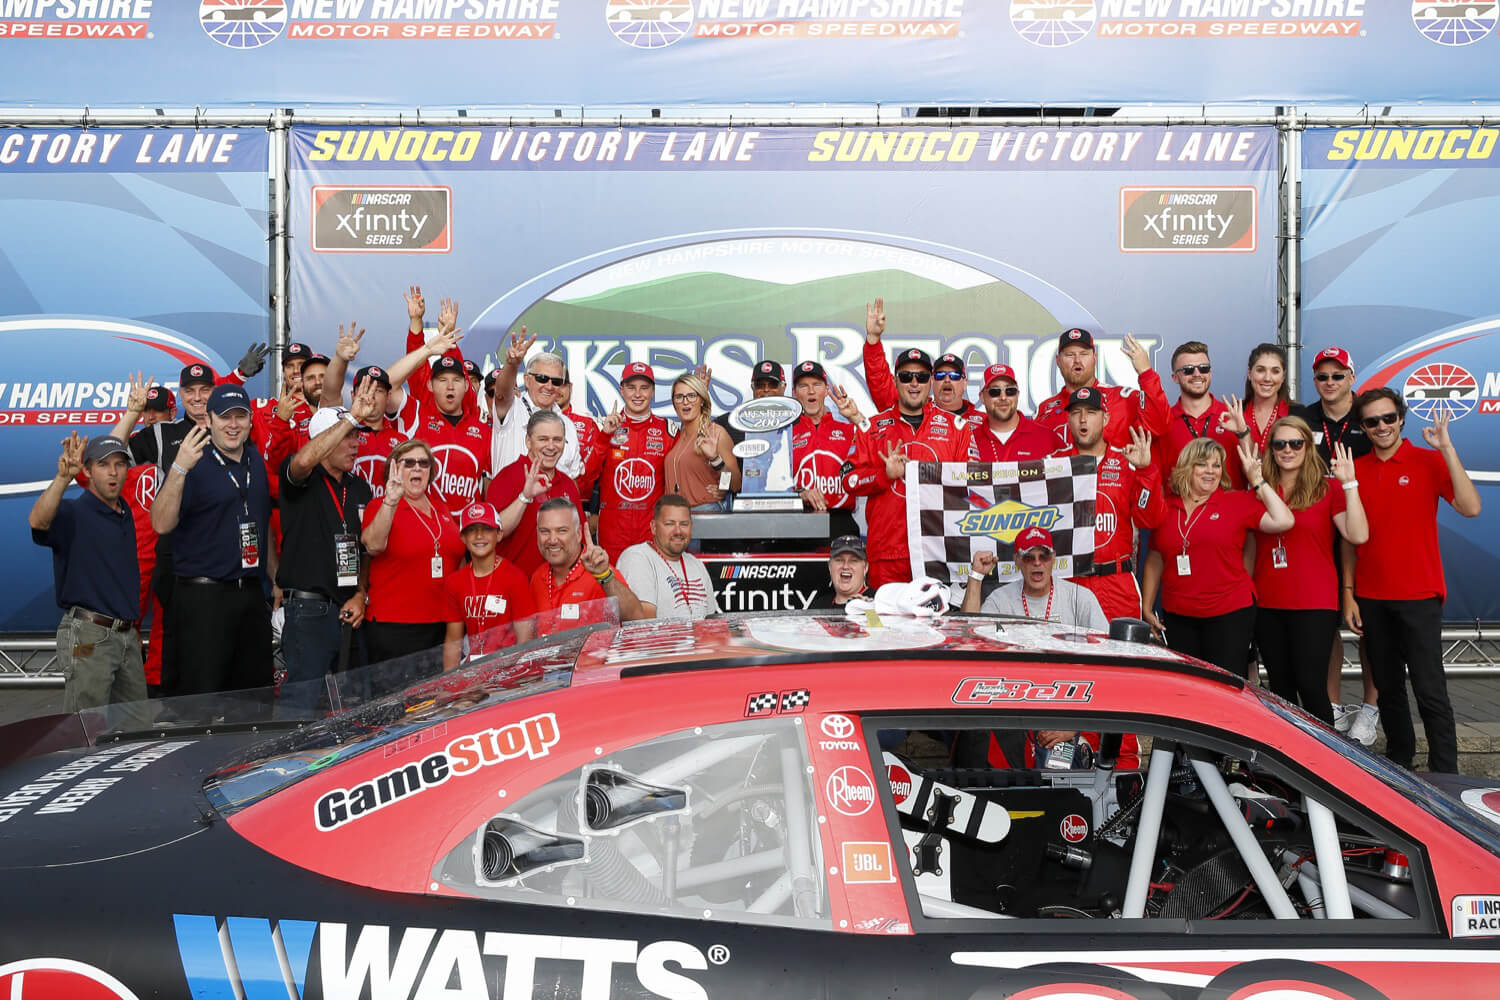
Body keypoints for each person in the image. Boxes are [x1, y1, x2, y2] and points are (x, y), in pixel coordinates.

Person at [1344, 390, 1481, 773]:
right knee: (1387, 691)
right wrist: (1350, 594)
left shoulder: (1428, 461)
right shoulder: (1355, 471)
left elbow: (1471, 508)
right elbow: (1350, 543)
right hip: (1372, 597)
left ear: (1401, 419)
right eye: (1372, 421)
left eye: (1388, 418)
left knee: (1430, 690)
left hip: (1420, 596)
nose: (1382, 427)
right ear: (1363, 427)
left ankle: (1445, 776)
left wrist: (1447, 448)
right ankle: (1399, 765)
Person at [149, 384, 274, 695]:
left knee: (253, 702)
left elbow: (261, 519)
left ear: (249, 421)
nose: (233, 425)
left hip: (249, 596)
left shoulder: (255, 461)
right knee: (200, 703)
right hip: (203, 599)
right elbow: (161, 523)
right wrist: (178, 468)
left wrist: (275, 575)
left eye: (240, 417)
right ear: (210, 419)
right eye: (225, 417)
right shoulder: (192, 461)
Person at [1141, 436, 1294, 677]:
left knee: (1226, 686)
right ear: (1187, 466)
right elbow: (1155, 558)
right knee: (1188, 685)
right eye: (1203, 464)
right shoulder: (1165, 506)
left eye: (1216, 465)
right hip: (1179, 614)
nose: (1211, 471)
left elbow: (1284, 520)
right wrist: (1147, 606)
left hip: (1229, 614)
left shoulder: (1236, 501)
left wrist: (1258, 481)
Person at [1251, 417, 1367, 727]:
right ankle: (1286, 764)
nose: (1287, 450)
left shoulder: (1327, 488)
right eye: (1280, 444)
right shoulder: (1261, 488)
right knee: (1280, 689)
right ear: (1271, 450)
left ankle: (1324, 763)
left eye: (1296, 443)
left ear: (1308, 446)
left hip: (1315, 603)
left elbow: (1357, 535)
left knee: (1311, 685)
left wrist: (1350, 484)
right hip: (1268, 602)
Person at [275, 389, 381, 714]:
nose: (355, 444)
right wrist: (351, 415)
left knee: (349, 707)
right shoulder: (301, 478)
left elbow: (366, 551)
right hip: (309, 611)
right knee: (301, 705)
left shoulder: (359, 487)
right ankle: (286, 764)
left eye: (356, 437)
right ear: (323, 440)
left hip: (349, 611)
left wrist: (361, 593)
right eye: (347, 437)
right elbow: (303, 460)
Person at [1290, 345, 1377, 731]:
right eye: (1322, 376)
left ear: (1351, 378)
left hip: (1367, 523)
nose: (1330, 382)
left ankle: (1371, 706)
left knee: (1370, 620)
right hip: (1322, 526)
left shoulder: (1370, 413)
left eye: (1337, 375)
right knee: (1327, 622)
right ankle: (1335, 703)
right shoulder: (1303, 417)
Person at [28, 433, 145, 713]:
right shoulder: (72, 512)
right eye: (103, 465)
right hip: (88, 638)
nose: (113, 472)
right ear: (88, 470)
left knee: (137, 732)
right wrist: (62, 479)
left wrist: (129, 627)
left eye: (120, 464)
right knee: (83, 732)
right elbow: (38, 521)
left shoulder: (124, 511)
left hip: (126, 636)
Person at [846, 348, 974, 589]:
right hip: (887, 555)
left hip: (939, 551)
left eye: (922, 377)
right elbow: (849, 482)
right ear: (895, 381)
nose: (914, 383)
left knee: (941, 626)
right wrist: (884, 475)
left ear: (931, 381)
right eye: (906, 377)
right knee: (885, 625)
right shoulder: (872, 428)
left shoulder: (957, 428)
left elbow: (971, 489)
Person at [1051, 387, 1166, 621]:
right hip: (1067, 581)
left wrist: (1146, 471)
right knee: (1066, 656)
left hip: (1116, 581)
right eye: (1076, 413)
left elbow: (1151, 519)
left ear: (1105, 418)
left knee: (1120, 655)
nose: (1083, 419)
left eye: (1091, 412)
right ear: (1068, 420)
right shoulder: (1053, 464)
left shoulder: (1126, 461)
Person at [360, 438, 465, 668]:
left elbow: (459, 556)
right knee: (397, 702)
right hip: (395, 626)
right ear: (394, 469)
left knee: (434, 701)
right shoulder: (380, 506)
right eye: (408, 463)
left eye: (423, 463)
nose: (417, 467)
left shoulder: (442, 509)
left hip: (441, 625)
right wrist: (391, 500)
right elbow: (373, 546)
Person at [383, 325, 490, 519]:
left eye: (456, 380)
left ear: (467, 386)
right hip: (422, 528)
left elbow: (487, 487)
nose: (450, 386)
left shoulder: (483, 430)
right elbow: (384, 385)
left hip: (467, 533)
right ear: (430, 385)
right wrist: (427, 350)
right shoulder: (416, 414)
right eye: (442, 380)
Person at [486, 410, 585, 578]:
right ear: (528, 441)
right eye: (543, 439)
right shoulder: (508, 477)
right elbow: (494, 534)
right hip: (516, 587)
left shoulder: (568, 483)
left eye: (558, 440)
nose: (551, 446)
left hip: (558, 590)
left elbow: (579, 538)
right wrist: (524, 497)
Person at [1034, 327, 1168, 450]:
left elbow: (1159, 427)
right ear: (1058, 361)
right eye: (1070, 355)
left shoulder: (1123, 399)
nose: (1077, 360)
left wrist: (1146, 374)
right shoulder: (1044, 410)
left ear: (1095, 358)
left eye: (1084, 354)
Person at [442, 502, 536, 671]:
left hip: (508, 670)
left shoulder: (515, 578)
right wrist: (448, 687)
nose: (479, 536)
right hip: (474, 669)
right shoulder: (454, 583)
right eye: (472, 530)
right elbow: (453, 643)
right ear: (462, 537)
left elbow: (525, 640)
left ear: (499, 534)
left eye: (486, 529)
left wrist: (516, 677)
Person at [863, 299, 983, 430]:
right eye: (940, 375)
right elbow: (880, 383)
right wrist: (873, 341)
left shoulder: (985, 421)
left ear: (965, 382)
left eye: (954, 375)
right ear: (932, 381)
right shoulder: (912, 410)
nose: (947, 380)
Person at [597, 362, 673, 560]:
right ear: (622, 390)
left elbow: (684, 471)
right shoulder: (605, 428)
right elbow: (586, 476)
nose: (637, 394)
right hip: (613, 534)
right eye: (631, 387)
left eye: (644, 388)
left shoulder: (668, 431)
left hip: (651, 534)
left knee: (651, 590)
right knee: (613, 589)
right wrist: (604, 436)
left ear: (653, 391)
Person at [962, 526, 1108, 628]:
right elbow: (970, 637)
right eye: (1028, 557)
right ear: (1017, 560)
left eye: (1044, 556)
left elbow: (1104, 649)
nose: (1037, 562)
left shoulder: (1080, 598)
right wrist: (976, 576)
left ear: (1053, 558)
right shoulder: (1000, 600)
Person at [530, 498, 646, 624]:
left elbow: (636, 618)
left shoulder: (599, 571)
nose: (552, 540)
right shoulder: (537, 577)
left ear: (578, 534)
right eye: (544, 531)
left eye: (561, 531)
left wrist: (604, 576)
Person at [1151, 341, 1247, 491]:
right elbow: (1157, 484)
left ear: (1210, 373)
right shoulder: (1164, 422)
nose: (1197, 374)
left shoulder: (1233, 417)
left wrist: (1243, 433)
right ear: (1175, 377)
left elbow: (1257, 471)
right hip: (1181, 512)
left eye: (1203, 368)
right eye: (1188, 370)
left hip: (1229, 511)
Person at [489, 328, 582, 480]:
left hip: (552, 503)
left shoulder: (568, 425)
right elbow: (500, 393)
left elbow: (571, 481)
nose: (549, 386)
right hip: (511, 502)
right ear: (526, 380)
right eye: (542, 378)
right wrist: (512, 364)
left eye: (556, 381)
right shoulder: (512, 408)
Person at [617, 495, 720, 620]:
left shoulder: (697, 564)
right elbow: (644, 624)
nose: (678, 531)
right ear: (654, 527)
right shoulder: (637, 558)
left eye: (684, 524)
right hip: (660, 640)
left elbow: (711, 621)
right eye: (669, 524)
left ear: (691, 527)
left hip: (701, 638)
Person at [789, 360, 860, 539]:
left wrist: (857, 418)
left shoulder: (847, 429)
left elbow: (880, 445)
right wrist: (799, 494)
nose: (811, 391)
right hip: (798, 521)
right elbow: (771, 487)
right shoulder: (785, 435)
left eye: (817, 385)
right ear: (794, 393)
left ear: (826, 390)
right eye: (804, 386)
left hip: (841, 520)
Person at [666, 371, 741, 511]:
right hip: (676, 516)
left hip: (705, 512)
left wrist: (715, 460)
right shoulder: (677, 435)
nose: (685, 401)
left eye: (692, 396)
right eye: (679, 397)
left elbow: (735, 484)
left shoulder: (715, 433)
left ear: (702, 401)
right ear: (674, 403)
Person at [971, 363, 1057, 462]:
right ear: (982, 397)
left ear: (1017, 394)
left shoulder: (1047, 438)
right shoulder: (969, 441)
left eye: (1010, 391)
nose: (1003, 397)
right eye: (994, 391)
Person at [715, 359, 785, 448]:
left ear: (783, 387)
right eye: (760, 385)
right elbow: (703, 433)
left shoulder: (796, 422)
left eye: (773, 385)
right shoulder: (732, 422)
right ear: (753, 388)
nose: (766, 389)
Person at [559, 378, 605, 503]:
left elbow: (598, 472)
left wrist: (594, 510)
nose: (557, 389)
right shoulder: (533, 421)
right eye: (554, 384)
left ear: (570, 387)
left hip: (580, 503)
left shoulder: (588, 424)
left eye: (562, 385)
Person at [1240, 343, 1291, 453]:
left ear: (1283, 377)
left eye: (1275, 371)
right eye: (1260, 370)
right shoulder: (1235, 413)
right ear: (1249, 373)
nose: (1267, 378)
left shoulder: (1299, 414)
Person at [809, 535, 871, 609]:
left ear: (865, 568)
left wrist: (868, 610)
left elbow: (876, 621)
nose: (845, 566)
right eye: (839, 560)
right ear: (829, 566)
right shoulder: (819, 606)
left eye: (853, 561)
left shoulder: (878, 601)